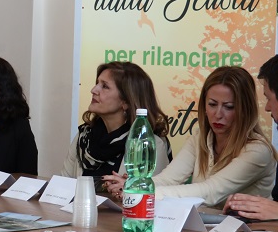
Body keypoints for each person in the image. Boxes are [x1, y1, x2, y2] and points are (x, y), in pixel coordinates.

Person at [10, 61, 171, 232]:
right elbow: (63, 183)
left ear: (126, 101)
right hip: (80, 229)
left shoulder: (149, 144)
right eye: (97, 83)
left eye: (104, 86)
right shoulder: (84, 136)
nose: (94, 90)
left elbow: (140, 201)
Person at [107, 66, 277, 208]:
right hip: (206, 230)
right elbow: (169, 179)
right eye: (212, 104)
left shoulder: (258, 150)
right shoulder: (200, 137)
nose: (218, 114)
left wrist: (141, 190)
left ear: (245, 110)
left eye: (229, 107)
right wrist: (135, 184)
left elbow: (210, 192)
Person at [224, 55, 278, 220]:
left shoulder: (258, 149)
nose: (267, 108)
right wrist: (248, 206)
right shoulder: (198, 138)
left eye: (268, 98)